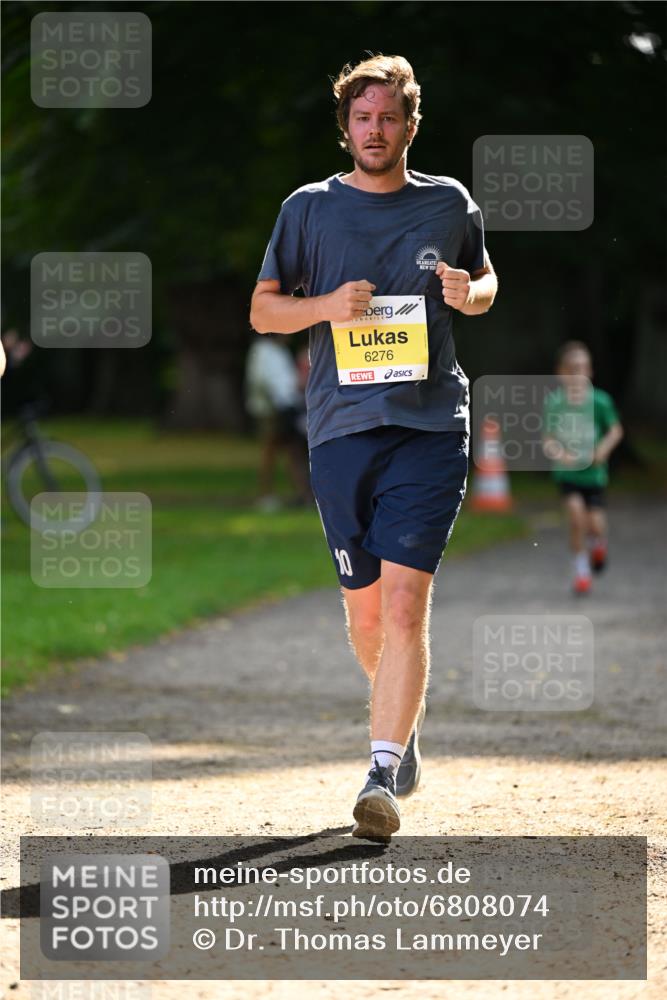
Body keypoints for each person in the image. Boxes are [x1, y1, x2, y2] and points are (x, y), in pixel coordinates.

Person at [250, 54, 497, 841]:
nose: (375, 129)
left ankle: (381, 770)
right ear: (345, 127)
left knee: (402, 603)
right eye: (362, 118)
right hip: (338, 431)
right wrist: (324, 305)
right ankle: (405, 722)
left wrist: (470, 292)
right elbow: (262, 312)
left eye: (389, 117)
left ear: (409, 126)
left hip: (428, 428)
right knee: (364, 620)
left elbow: (487, 280)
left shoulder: (447, 203)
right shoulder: (308, 210)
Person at [543, 341, 623, 595]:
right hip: (567, 474)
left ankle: (598, 545)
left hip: (594, 474)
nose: (578, 373)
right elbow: (548, 438)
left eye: (583, 367)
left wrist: (603, 449)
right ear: (561, 372)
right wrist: (560, 454)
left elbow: (615, 430)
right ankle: (581, 572)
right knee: (576, 518)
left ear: (590, 371)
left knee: (595, 524)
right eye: (572, 368)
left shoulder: (600, 401)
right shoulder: (554, 403)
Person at [244, 333, 311, 509]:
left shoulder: (280, 350)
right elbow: (262, 381)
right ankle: (266, 495)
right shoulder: (263, 350)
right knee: (270, 451)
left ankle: (303, 494)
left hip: (287, 407)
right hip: (270, 410)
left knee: (294, 451)